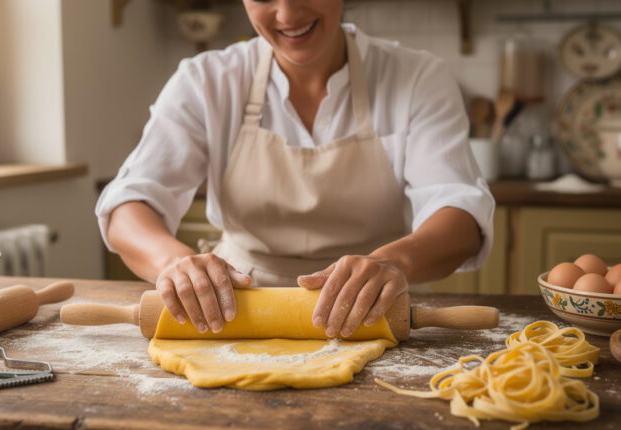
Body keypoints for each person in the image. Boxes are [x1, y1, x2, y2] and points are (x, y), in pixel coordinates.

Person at [96, 0, 494, 340]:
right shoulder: (207, 81)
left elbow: (459, 213)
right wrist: (173, 263)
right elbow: (131, 201)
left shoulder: (417, 78)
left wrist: (397, 262)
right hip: (233, 315)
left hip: (374, 316)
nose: (286, 13)